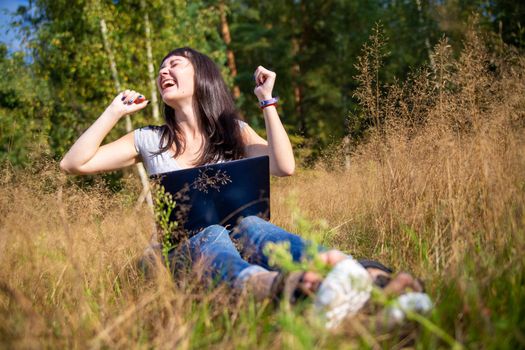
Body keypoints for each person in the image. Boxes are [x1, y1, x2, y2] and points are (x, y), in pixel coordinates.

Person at [60, 47, 424, 320]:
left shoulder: (234, 132)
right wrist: (114, 111)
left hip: (243, 237)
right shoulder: (148, 139)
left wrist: (267, 101)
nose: (163, 71)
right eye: (160, 68)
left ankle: (363, 278)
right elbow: (73, 163)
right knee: (213, 233)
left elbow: (284, 166)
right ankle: (282, 290)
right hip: (181, 251)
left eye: (174, 64)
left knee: (251, 224)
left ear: (202, 74)